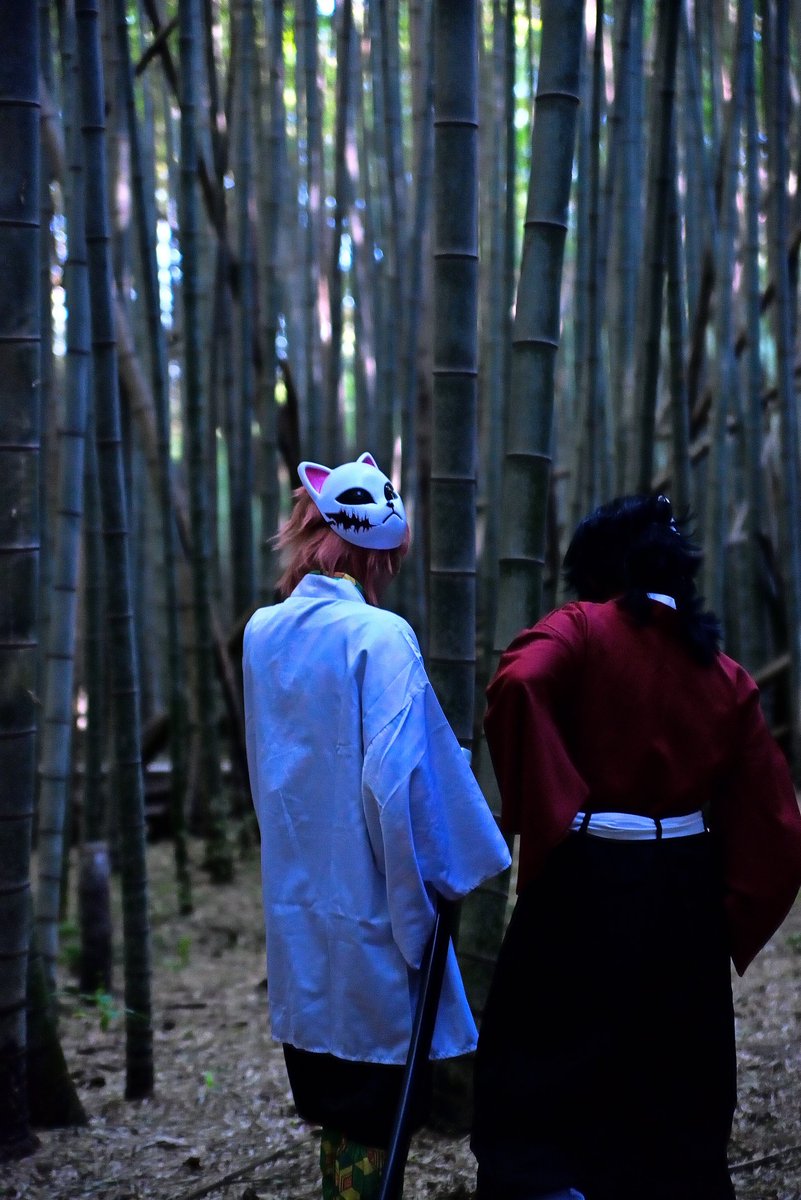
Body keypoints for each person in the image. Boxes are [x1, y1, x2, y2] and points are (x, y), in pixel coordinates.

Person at [471, 492, 801, 1200]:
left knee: (546, 1040)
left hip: (587, 872)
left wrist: (550, 807)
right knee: (676, 1061)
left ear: (597, 569)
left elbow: (519, 680)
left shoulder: (581, 628)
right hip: (684, 885)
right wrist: (729, 909)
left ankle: (547, 1183)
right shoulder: (723, 671)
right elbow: (775, 820)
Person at [243, 452, 511, 1200]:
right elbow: (408, 786)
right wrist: (439, 884)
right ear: (381, 553)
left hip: (297, 908)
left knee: (334, 1105)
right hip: (369, 911)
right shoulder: (379, 636)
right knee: (372, 1111)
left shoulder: (262, 632)